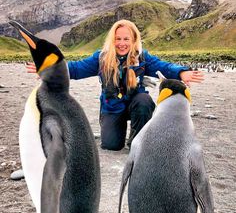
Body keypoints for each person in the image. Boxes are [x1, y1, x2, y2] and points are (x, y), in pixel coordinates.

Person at [11, 19, 204, 179]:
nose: (122, 43)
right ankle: (118, 133)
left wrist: (182, 72)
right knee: (111, 145)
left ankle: (138, 143)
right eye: (118, 38)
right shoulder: (101, 58)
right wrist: (51, 68)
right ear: (112, 39)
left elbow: (166, 66)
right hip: (112, 109)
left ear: (134, 39)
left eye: (126, 39)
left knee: (144, 101)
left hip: (136, 105)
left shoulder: (142, 57)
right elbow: (76, 69)